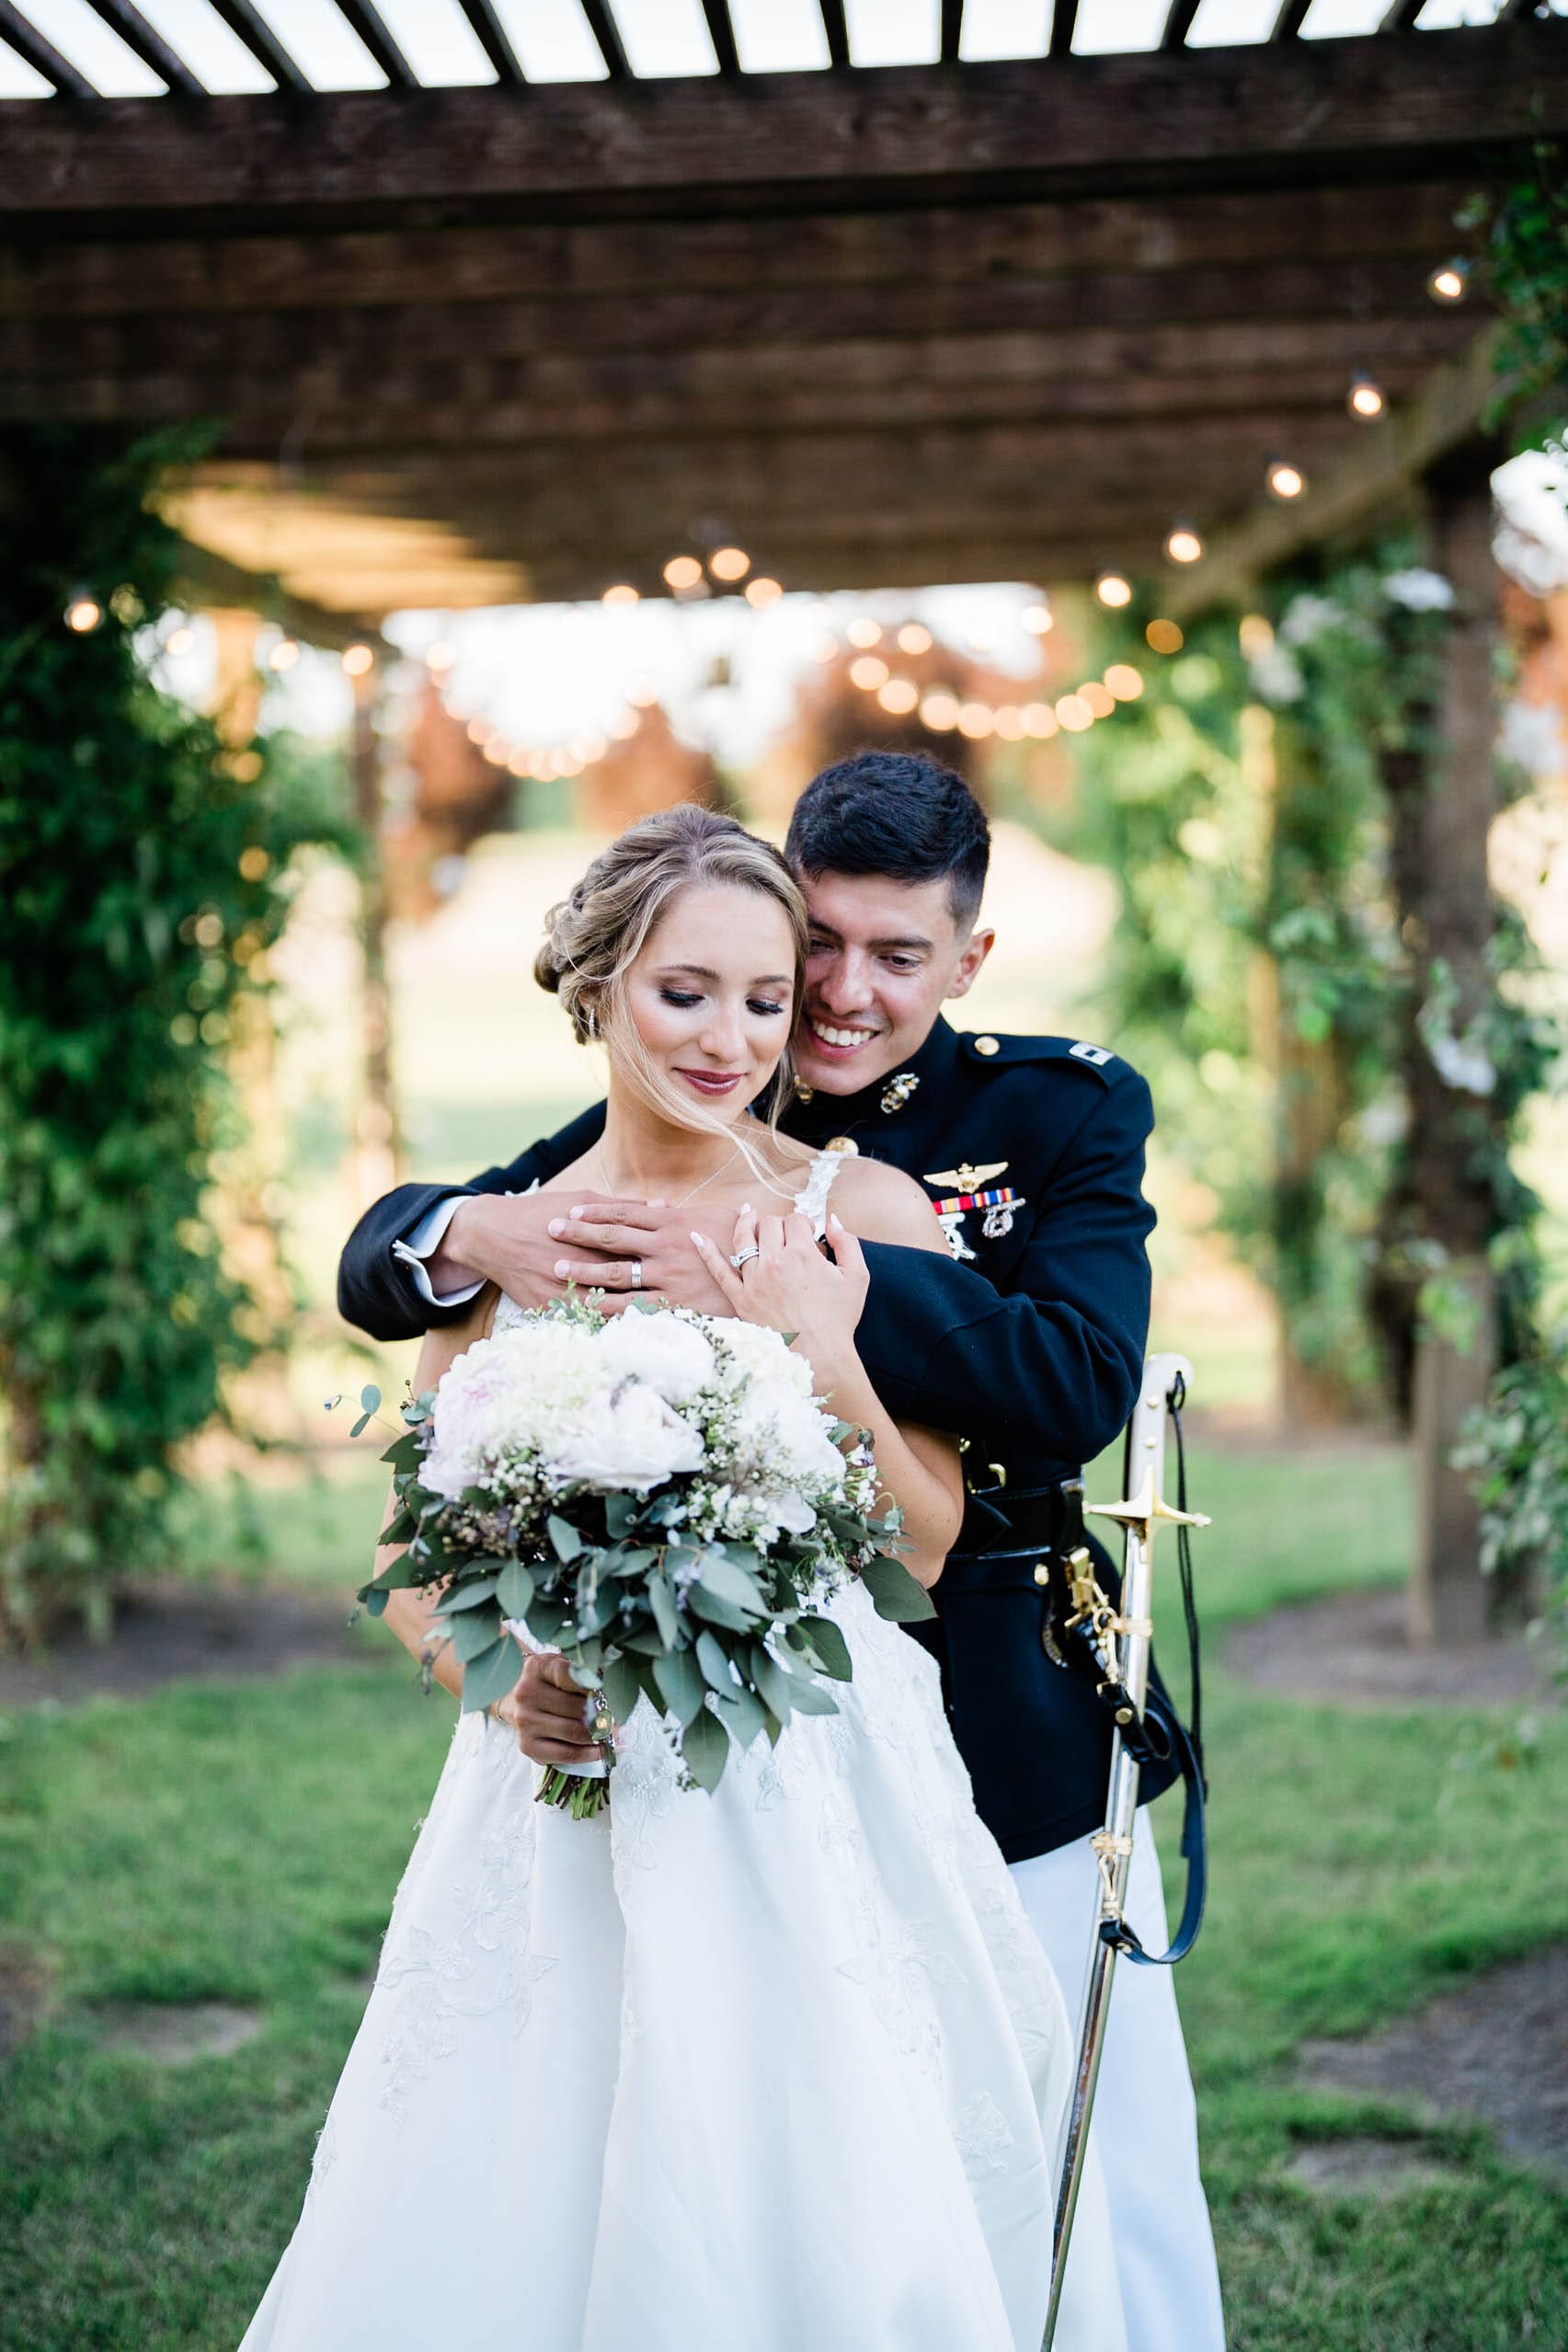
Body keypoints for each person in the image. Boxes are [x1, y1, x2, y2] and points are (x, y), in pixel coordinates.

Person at [338, 755, 1225, 2351]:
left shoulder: (1022, 1121)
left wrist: (825, 1316)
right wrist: (454, 1234)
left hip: (927, 1720)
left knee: (1023, 2135)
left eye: (892, 959)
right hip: (588, 1785)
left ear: (966, 959)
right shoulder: (568, 1188)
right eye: (801, 956)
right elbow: (426, 1495)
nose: (802, 1012)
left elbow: (1069, 1389)